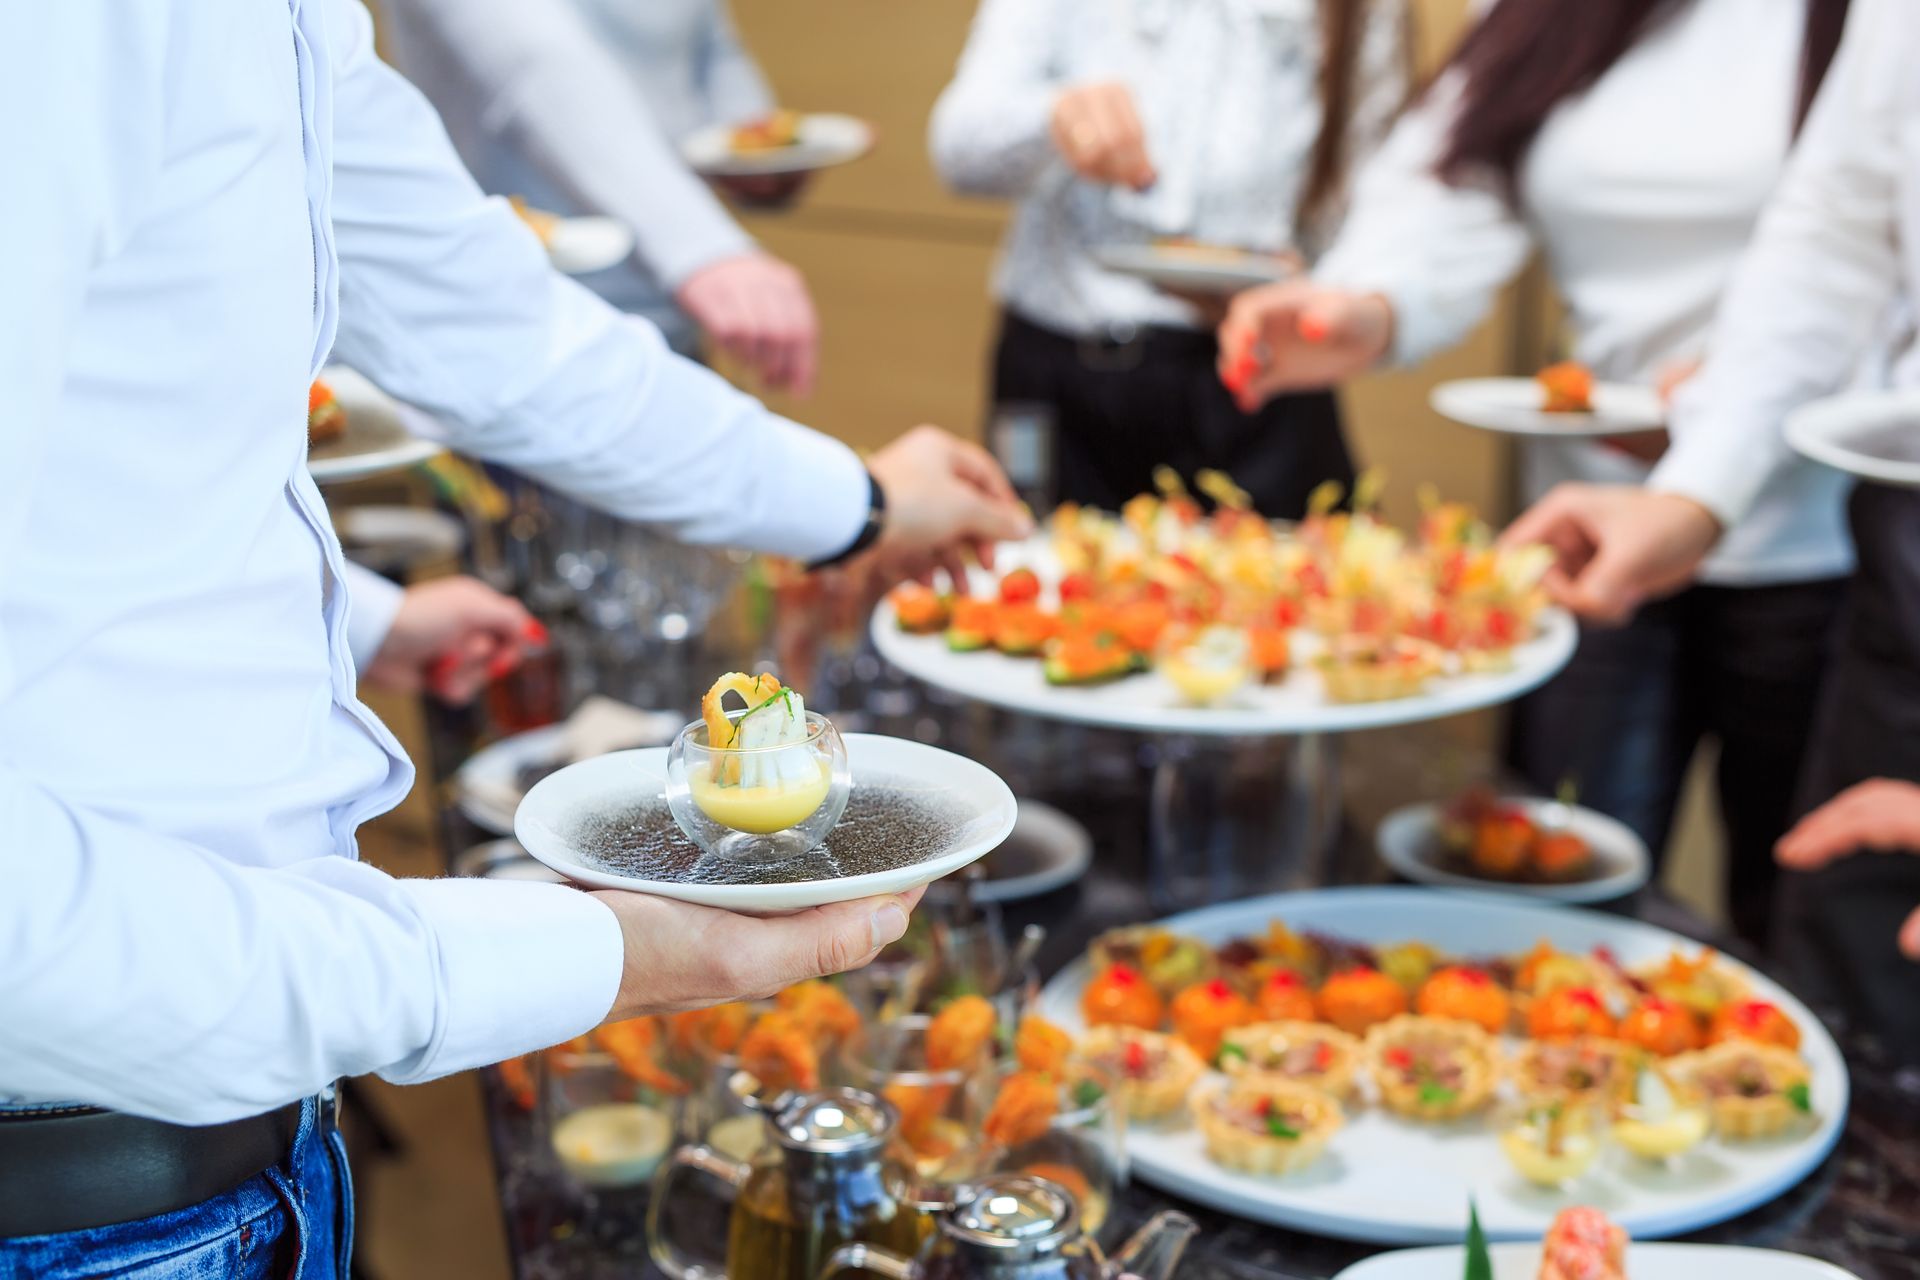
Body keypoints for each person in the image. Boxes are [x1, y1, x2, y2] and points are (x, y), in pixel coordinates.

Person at [0, 2, 1027, 1272]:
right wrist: (578, 953)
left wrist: (852, 503)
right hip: (70, 1198)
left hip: (236, 1144)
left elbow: (478, 310)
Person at [1216, 0, 1859, 948]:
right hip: (1583, 532)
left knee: (1806, 911)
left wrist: (1738, 407)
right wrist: (1369, 303)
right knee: (1547, 902)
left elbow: (1859, 253)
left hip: (1822, 537)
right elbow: (1455, 177)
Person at [1499, 0, 1920, 1051]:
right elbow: (1840, 221)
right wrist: (1701, 493)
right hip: (1901, 535)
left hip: (1827, 553)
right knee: (1853, 1020)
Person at [928, 0, 1409, 519]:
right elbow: (958, 151)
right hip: (1060, 367)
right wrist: (1054, 118)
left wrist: (1319, 279)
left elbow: (1384, 195)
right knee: (1028, 574)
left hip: (1252, 370)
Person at [381, 0, 820, 392]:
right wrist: (705, 250)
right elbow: (536, 63)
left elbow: (708, 46)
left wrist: (751, 147)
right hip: (522, 328)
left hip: (669, 310)